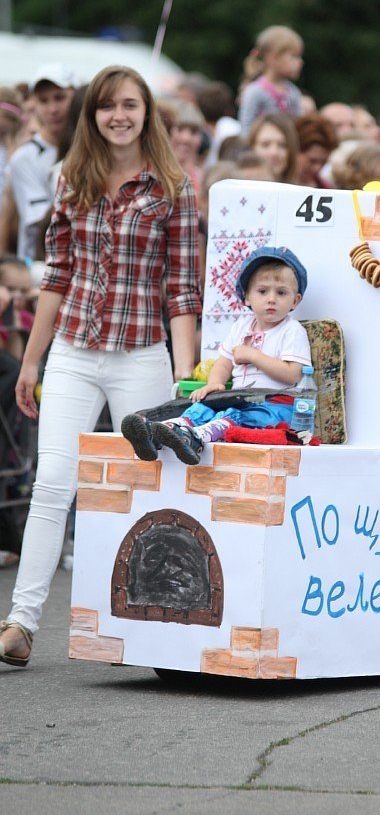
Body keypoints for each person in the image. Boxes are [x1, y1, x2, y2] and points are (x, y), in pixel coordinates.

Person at [0, 65, 202, 669]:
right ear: (91, 114)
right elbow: (55, 278)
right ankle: (20, 623)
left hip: (142, 356)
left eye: (130, 105)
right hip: (73, 353)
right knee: (54, 483)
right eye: (107, 106)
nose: (119, 115)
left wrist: (186, 378)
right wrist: (30, 362)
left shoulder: (174, 185)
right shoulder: (73, 178)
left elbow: (183, 292)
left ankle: (150, 625)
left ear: (147, 113)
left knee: (144, 490)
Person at [122, 247, 311, 466]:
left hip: (274, 405)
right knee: (202, 407)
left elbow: (292, 374)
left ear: (295, 300)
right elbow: (223, 362)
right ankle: (161, 432)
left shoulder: (291, 330)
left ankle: (193, 438)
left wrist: (253, 355)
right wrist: (215, 383)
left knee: (232, 416)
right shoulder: (241, 326)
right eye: (262, 291)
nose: (271, 299)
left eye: (281, 293)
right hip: (241, 400)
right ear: (247, 297)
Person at [4, 64, 78, 262]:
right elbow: (43, 223)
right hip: (39, 266)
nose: (53, 109)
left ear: (76, 96)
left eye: (60, 98)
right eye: (43, 101)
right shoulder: (25, 157)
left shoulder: (88, 149)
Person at [238, 26, 304, 135]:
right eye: (294, 56)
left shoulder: (293, 93)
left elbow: (298, 129)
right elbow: (246, 130)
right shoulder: (254, 92)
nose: (300, 62)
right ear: (273, 58)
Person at [248, 113, 299, 182]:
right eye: (265, 144)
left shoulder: (301, 191)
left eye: (282, 145)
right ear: (252, 148)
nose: (274, 152)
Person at [294, 113, 338, 187]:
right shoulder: (273, 186)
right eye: (312, 161)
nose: (317, 168)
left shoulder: (327, 190)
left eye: (324, 162)